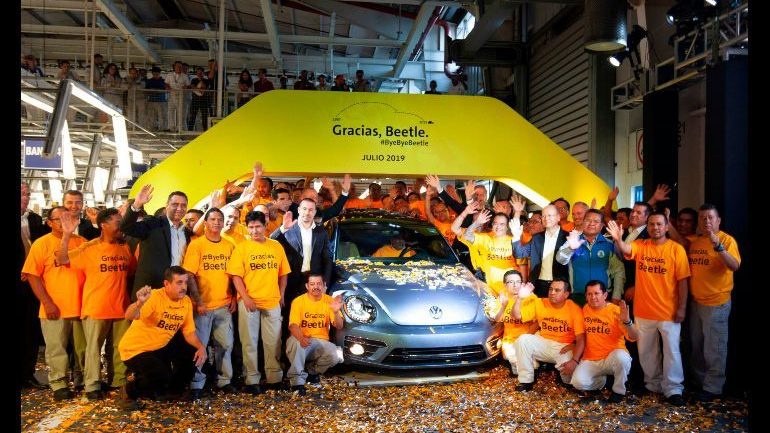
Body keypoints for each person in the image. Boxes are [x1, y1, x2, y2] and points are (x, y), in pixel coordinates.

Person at [607, 212, 690, 406]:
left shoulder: (676, 249)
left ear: (667, 227)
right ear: (648, 227)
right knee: (646, 352)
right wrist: (618, 239)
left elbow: (683, 282)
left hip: (669, 312)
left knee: (672, 352)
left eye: (659, 224)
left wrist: (682, 308)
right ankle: (653, 385)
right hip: (644, 311)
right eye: (652, 224)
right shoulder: (641, 245)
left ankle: (673, 389)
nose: (655, 227)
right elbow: (627, 249)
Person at [57, 208, 135, 400]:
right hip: (96, 307)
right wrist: (66, 235)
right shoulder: (89, 248)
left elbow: (131, 271)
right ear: (103, 225)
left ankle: (118, 381)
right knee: (93, 349)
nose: (121, 226)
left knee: (119, 347)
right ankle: (92, 385)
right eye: (118, 222)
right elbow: (61, 259)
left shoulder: (125, 247)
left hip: (121, 307)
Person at [117, 267, 207, 410]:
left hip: (159, 348)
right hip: (135, 350)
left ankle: (171, 391)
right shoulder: (154, 296)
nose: (184, 287)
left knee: (191, 353)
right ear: (166, 284)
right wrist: (139, 303)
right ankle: (129, 391)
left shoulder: (186, 302)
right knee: (160, 376)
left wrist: (201, 348)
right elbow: (129, 315)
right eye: (179, 283)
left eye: (185, 282)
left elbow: (189, 333)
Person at [21, 206, 86, 400]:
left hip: (82, 306)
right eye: (59, 219)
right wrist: (47, 302)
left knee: (82, 349)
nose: (65, 222)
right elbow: (32, 276)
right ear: (49, 223)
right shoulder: (41, 244)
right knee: (56, 348)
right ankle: (59, 383)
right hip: (55, 307)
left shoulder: (81, 242)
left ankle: (81, 380)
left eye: (68, 217)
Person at [226, 211, 290, 394]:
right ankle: (251, 379)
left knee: (273, 342)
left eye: (258, 227)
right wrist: (245, 298)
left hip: (272, 301)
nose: (254, 231)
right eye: (251, 227)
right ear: (247, 228)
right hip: (249, 302)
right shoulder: (242, 248)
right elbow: (236, 276)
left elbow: (283, 273)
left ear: (265, 226)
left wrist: (281, 294)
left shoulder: (276, 246)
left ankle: (274, 378)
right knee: (249, 342)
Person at [686, 204, 741, 401]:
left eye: (710, 217)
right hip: (696, 302)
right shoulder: (696, 241)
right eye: (702, 218)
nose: (706, 221)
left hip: (716, 303)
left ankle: (713, 388)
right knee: (697, 346)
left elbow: (734, 265)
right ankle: (701, 383)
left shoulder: (726, 240)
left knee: (714, 348)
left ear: (718, 221)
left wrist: (718, 246)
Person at [182, 207, 237, 398]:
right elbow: (189, 275)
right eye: (212, 219)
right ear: (205, 223)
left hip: (224, 305)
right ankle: (197, 383)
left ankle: (224, 381)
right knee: (199, 346)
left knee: (225, 345)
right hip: (202, 306)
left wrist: (234, 297)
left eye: (219, 219)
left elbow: (235, 274)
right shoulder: (197, 245)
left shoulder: (229, 245)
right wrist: (198, 301)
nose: (216, 222)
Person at [512, 278, 585, 391]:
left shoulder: (574, 309)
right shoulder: (540, 303)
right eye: (551, 289)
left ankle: (565, 381)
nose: (552, 293)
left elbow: (581, 338)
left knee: (569, 380)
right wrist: (519, 298)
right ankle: (526, 381)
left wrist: (574, 360)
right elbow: (516, 316)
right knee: (522, 340)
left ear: (566, 294)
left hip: (563, 347)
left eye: (557, 290)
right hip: (543, 342)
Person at [571, 280, 638, 403]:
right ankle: (604, 381)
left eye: (596, 293)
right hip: (591, 358)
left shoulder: (616, 311)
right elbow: (580, 335)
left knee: (622, 358)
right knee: (578, 383)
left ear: (605, 295)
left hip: (612, 358)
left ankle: (618, 390)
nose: (593, 297)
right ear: (586, 296)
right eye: (589, 294)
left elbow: (634, 336)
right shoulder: (585, 309)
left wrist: (628, 322)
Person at [120, 185, 191, 299]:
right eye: (175, 204)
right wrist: (137, 204)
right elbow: (126, 228)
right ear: (167, 205)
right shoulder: (153, 223)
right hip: (150, 290)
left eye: (183, 205)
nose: (179, 208)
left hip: (176, 290)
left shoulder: (186, 232)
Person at [285, 274, 343, 395]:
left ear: (324, 285)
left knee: (336, 354)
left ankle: (311, 372)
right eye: (312, 284)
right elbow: (293, 325)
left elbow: (339, 326)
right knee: (298, 344)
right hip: (300, 338)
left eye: (318, 284)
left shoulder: (329, 301)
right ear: (307, 286)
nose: (315, 287)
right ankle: (297, 382)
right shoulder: (298, 301)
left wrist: (336, 312)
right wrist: (301, 338)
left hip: (320, 341)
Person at [556, 209, 625, 306]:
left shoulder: (609, 245)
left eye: (596, 221)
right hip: (578, 296)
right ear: (583, 222)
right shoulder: (573, 240)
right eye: (588, 220)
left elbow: (618, 272)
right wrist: (571, 248)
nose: (591, 223)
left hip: (602, 297)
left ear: (602, 226)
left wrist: (616, 296)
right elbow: (560, 260)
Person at [512, 204, 569, 297]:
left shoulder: (568, 238)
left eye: (550, 215)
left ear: (558, 217)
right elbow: (520, 254)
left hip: (559, 286)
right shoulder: (536, 238)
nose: (546, 218)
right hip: (538, 285)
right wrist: (516, 236)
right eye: (543, 216)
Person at [491, 270, 538, 376]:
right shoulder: (503, 297)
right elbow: (497, 319)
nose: (515, 285)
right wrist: (503, 305)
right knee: (517, 363)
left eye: (518, 282)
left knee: (531, 366)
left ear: (522, 283)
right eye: (511, 282)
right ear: (505, 285)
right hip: (510, 340)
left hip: (528, 337)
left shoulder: (531, 298)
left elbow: (535, 323)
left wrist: (525, 340)